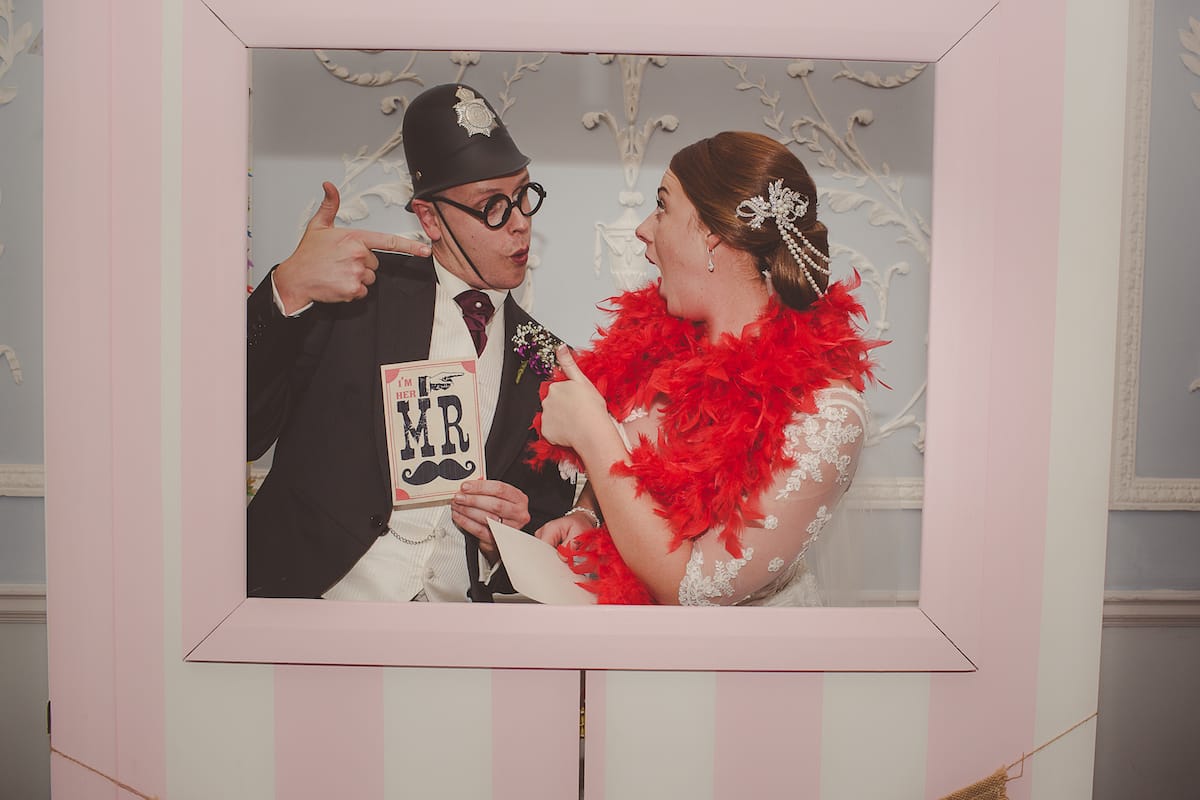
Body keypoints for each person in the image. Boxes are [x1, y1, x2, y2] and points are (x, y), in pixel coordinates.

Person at [246, 83, 575, 601]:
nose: (520, 225)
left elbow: (549, 538)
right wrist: (285, 289)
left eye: (523, 196)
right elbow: (238, 431)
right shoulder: (356, 293)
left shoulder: (548, 360)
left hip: (450, 642)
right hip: (304, 606)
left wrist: (510, 539)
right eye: (492, 207)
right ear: (429, 218)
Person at [531, 131, 882, 606]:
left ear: (711, 234)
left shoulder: (826, 414)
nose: (642, 230)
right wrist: (587, 518)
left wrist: (592, 435)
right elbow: (641, 491)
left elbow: (692, 592)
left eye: (662, 207)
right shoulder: (658, 356)